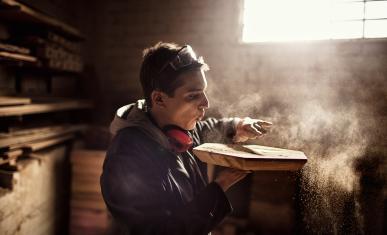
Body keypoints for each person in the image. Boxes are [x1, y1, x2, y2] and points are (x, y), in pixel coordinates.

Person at [100, 42, 272, 235]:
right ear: (159, 99)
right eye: (193, 96)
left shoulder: (175, 127)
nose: (206, 103)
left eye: (204, 92)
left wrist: (237, 126)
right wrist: (219, 187)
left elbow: (205, 129)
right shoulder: (127, 158)